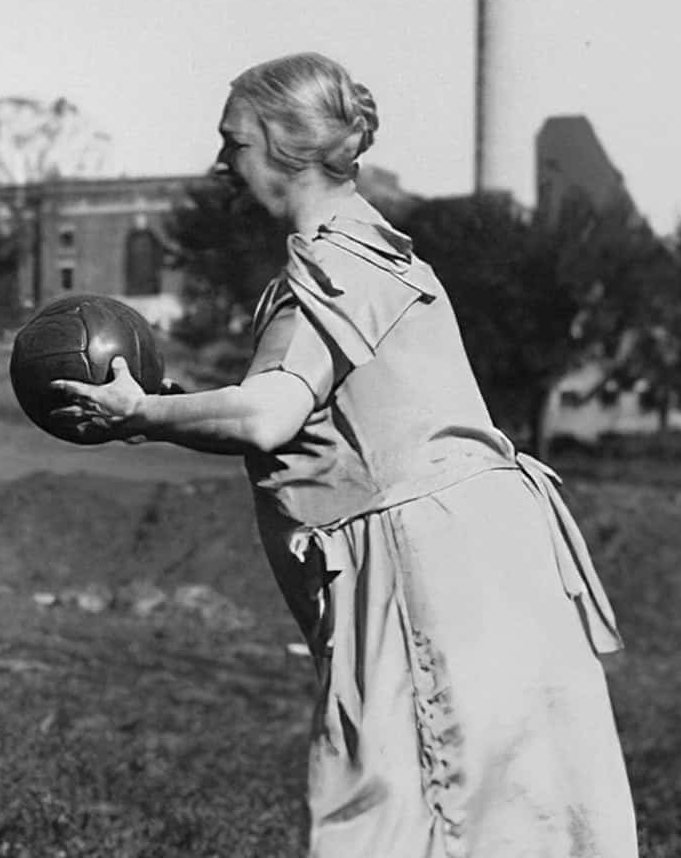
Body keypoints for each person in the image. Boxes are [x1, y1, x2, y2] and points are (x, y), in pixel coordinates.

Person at [52, 53, 637, 856]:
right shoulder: (372, 252)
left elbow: (266, 416)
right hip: (477, 564)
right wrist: (177, 402)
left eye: (235, 144)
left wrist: (142, 411)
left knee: (411, 826)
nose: (223, 165)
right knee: (505, 822)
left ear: (288, 147)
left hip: (427, 575)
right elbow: (306, 411)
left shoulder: (334, 263)